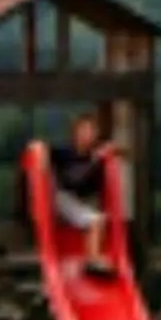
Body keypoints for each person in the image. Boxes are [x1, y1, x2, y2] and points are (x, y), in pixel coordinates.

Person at [47, 110, 122, 282]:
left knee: (99, 218)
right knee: (97, 220)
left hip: (77, 202)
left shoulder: (94, 157)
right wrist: (96, 160)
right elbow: (73, 180)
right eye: (85, 130)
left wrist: (109, 155)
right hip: (61, 199)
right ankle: (93, 259)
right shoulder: (65, 153)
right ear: (76, 133)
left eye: (92, 131)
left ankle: (94, 258)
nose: (89, 135)